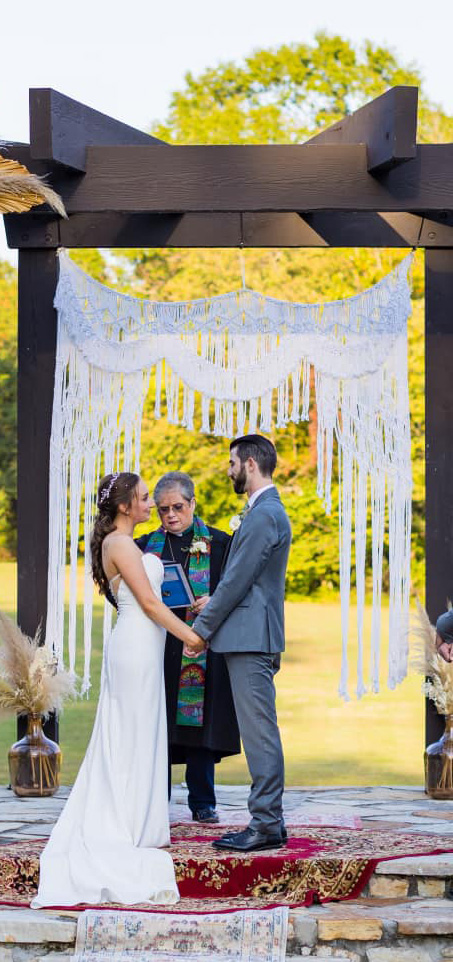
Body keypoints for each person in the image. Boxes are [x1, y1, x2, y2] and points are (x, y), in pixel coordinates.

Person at [32, 472, 203, 909]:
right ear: (125, 507)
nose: (152, 504)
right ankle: (124, 822)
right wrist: (191, 636)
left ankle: (142, 821)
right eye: (146, 499)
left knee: (143, 731)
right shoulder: (122, 545)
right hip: (136, 647)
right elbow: (148, 603)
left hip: (142, 643)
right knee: (130, 733)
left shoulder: (124, 544)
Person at [191, 435, 291, 853]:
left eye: (232, 462)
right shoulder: (262, 512)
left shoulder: (265, 514)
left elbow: (237, 582)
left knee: (259, 732)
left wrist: (202, 629)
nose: (228, 470)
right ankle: (271, 821)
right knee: (258, 730)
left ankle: (265, 824)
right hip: (248, 635)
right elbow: (244, 580)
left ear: (250, 464)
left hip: (252, 638)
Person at [136, 472, 240, 823]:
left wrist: (214, 599)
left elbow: (237, 587)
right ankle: (155, 801)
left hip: (200, 647)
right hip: (159, 648)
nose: (170, 515)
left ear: (193, 503)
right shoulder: (144, 545)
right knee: (158, 723)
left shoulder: (221, 544)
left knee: (201, 724)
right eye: (163, 509)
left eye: (178, 507)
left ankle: (203, 801)